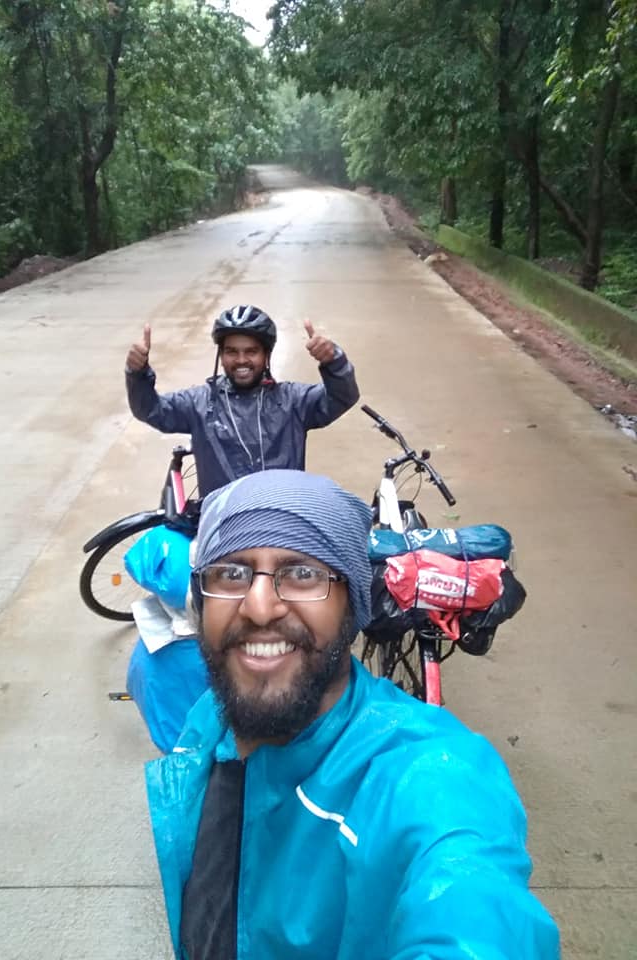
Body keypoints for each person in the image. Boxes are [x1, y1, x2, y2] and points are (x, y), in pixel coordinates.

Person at [144, 470, 560, 960]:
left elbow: (472, 905)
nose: (259, 607)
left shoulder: (423, 773)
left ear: (353, 605)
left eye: (303, 573)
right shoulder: (213, 720)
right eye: (231, 573)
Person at [125, 304, 359, 496]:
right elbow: (150, 409)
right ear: (221, 355)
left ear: (266, 355)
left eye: (251, 351)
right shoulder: (199, 403)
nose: (241, 360)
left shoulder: (293, 401)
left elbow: (343, 397)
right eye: (231, 351)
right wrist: (137, 374)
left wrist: (334, 362)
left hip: (283, 519)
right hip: (224, 525)